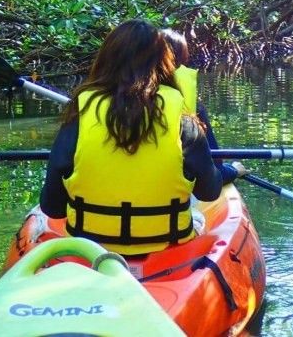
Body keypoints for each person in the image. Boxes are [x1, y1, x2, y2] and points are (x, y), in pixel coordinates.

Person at [39, 19, 223, 256]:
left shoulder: (81, 111)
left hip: (90, 249)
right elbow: (209, 192)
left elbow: (52, 208)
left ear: (106, 59)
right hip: (167, 245)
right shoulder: (181, 114)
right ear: (163, 61)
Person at [160, 28, 248, 183]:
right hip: (177, 191)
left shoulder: (120, 103)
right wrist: (234, 171)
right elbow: (214, 173)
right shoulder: (189, 110)